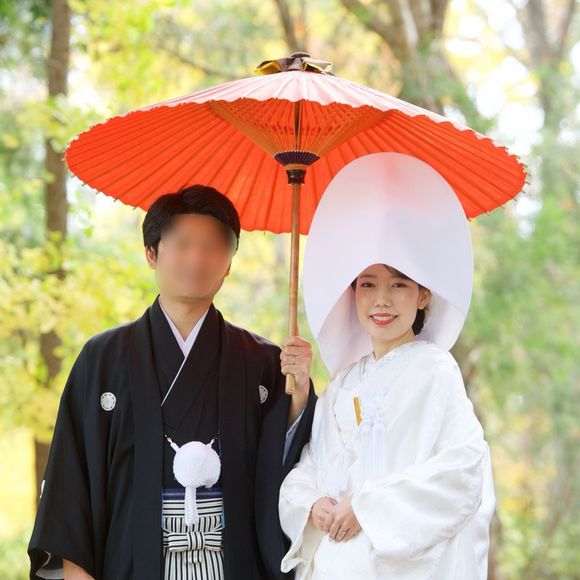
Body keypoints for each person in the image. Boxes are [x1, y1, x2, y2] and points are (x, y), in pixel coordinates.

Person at [28, 185, 317, 580]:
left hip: (233, 565)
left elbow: (289, 470)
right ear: (152, 253)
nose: (197, 258)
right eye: (182, 244)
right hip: (132, 565)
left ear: (228, 263)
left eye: (213, 246)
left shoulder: (263, 361)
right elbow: (72, 480)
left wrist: (298, 399)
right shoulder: (102, 359)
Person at [278, 153, 496, 579]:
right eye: (368, 284)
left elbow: (463, 470)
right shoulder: (343, 384)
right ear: (353, 294)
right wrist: (312, 504)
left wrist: (368, 508)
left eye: (399, 284)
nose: (382, 300)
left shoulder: (435, 371)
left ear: (423, 295)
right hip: (339, 564)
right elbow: (309, 467)